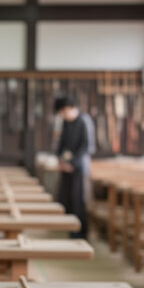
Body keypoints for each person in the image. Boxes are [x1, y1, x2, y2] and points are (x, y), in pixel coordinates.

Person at [54, 94, 96, 239]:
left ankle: (81, 233)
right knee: (66, 200)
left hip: (80, 167)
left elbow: (86, 147)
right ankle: (71, 230)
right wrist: (60, 160)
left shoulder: (84, 121)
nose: (62, 115)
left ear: (69, 108)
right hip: (66, 167)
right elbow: (61, 143)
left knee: (79, 200)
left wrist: (72, 164)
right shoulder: (66, 122)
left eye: (63, 112)